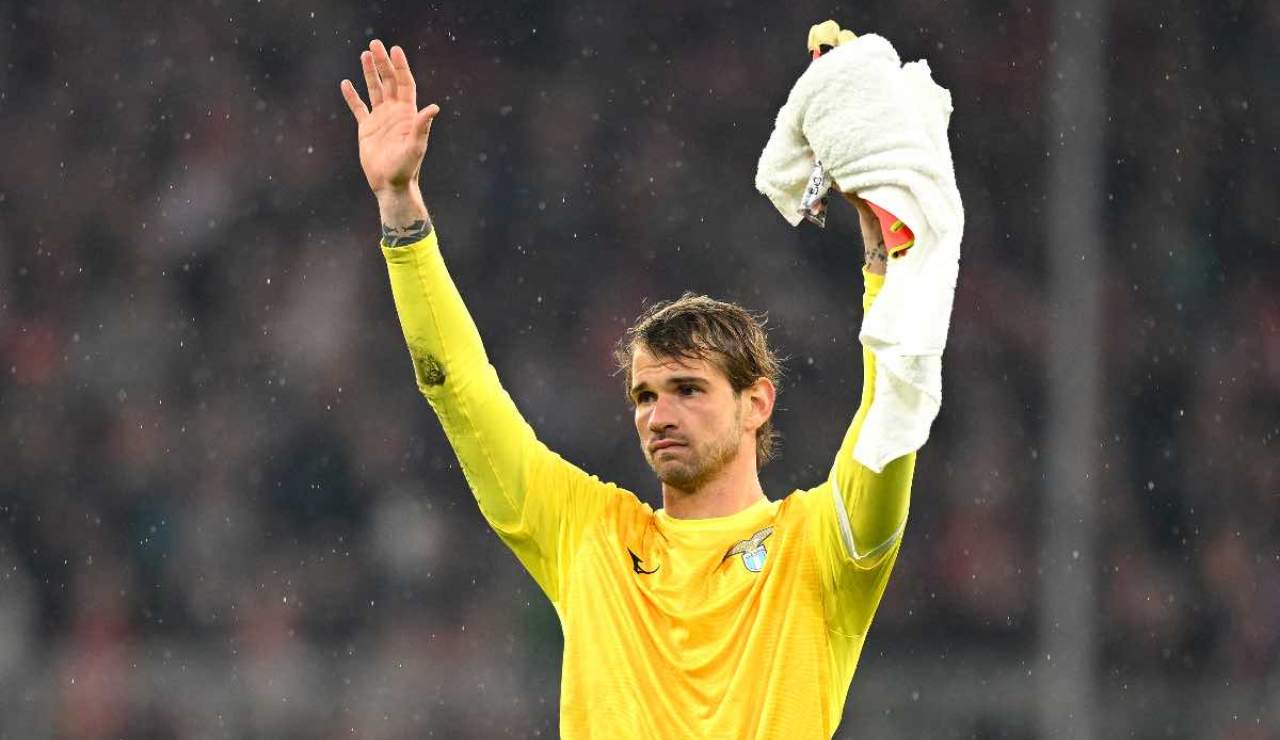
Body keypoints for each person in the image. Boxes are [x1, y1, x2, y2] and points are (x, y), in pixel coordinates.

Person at [340, 34, 919, 739]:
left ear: (756, 402)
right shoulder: (590, 536)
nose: (658, 414)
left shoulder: (821, 547)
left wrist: (885, 239)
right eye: (645, 396)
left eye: (688, 389)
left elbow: (895, 406)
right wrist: (400, 205)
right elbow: (458, 391)